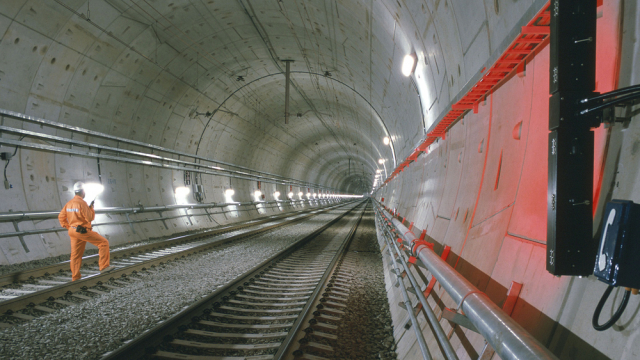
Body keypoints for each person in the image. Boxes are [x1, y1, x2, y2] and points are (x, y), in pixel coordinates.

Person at [58, 182, 115, 281]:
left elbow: (61, 217)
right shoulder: (82, 203)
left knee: (75, 255)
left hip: (73, 231)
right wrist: (91, 208)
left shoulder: (69, 203)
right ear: (83, 192)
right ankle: (104, 266)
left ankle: (75, 277)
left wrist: (69, 227)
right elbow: (89, 218)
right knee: (103, 243)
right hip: (82, 231)